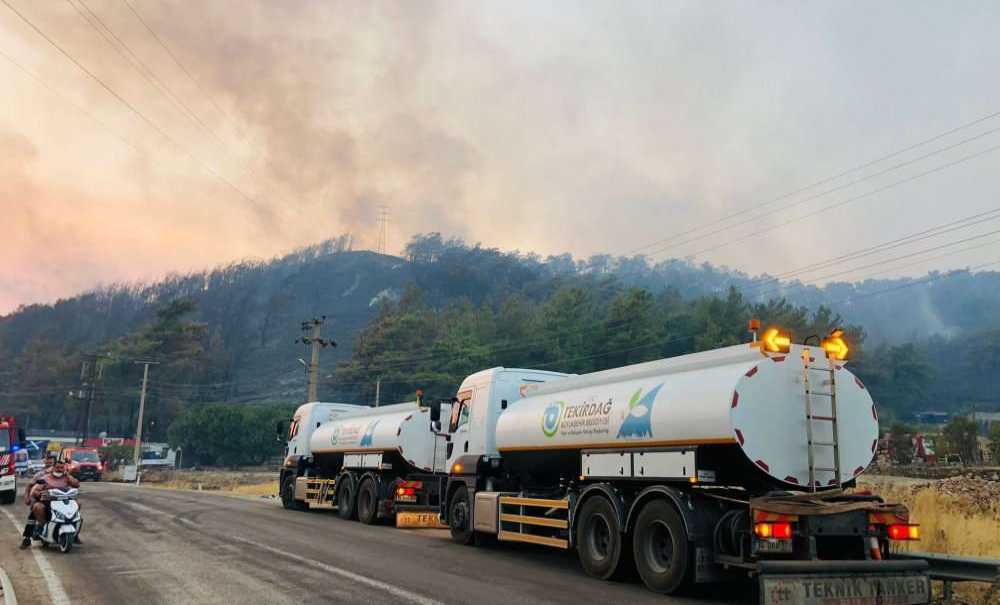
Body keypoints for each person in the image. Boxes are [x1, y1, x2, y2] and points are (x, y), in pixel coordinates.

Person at [22, 459, 81, 549]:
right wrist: (41, 494)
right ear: (53, 468)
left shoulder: (67, 477)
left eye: (61, 468)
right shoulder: (45, 478)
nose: (59, 469)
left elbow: (76, 485)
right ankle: (40, 528)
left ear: (64, 468)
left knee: (78, 504)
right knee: (37, 507)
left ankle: (75, 534)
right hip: (48, 502)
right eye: (57, 467)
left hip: (64, 502)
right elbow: (35, 490)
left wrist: (68, 476)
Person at [20, 454, 55, 548]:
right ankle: (27, 539)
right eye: (47, 460)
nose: (49, 462)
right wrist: (26, 497)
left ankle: (74, 535)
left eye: (51, 461)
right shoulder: (40, 474)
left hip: (56, 500)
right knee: (34, 513)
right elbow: (29, 486)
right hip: (41, 499)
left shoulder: (61, 473)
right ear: (44, 461)